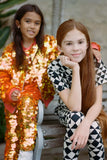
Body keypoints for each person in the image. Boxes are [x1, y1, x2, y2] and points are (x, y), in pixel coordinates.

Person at [0, 4, 102, 160]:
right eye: (28, 21)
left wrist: (93, 48)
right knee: (13, 139)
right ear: (18, 23)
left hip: (37, 99)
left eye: (37, 23)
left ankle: (26, 154)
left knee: (91, 125)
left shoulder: (47, 44)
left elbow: (74, 42)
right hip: (17, 101)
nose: (32, 26)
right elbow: (3, 76)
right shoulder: (10, 51)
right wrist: (9, 91)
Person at [47, 19, 107, 160]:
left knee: (92, 126)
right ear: (60, 48)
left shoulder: (96, 64)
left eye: (80, 42)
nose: (75, 48)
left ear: (87, 44)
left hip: (92, 112)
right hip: (67, 113)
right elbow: (74, 107)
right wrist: (75, 69)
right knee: (76, 116)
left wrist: (85, 124)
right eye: (69, 43)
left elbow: (97, 104)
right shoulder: (54, 67)